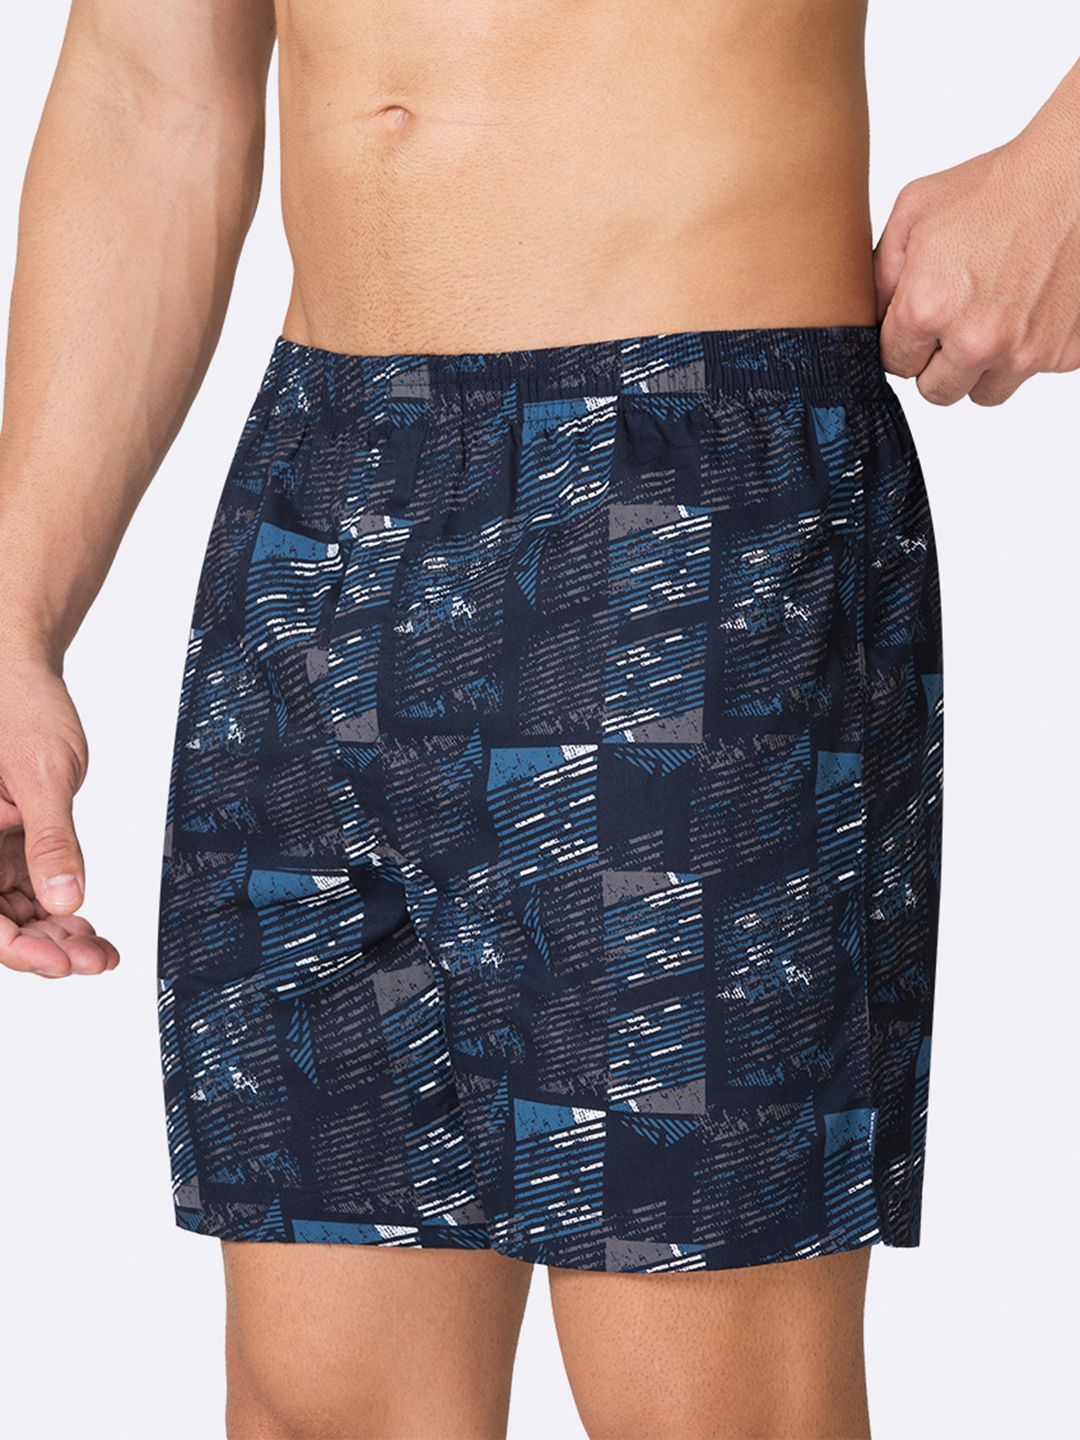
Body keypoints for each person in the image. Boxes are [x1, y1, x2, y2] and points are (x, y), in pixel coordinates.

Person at [0, 1, 1076, 1436]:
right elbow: (153, 89)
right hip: (316, 504)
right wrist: (14, 620)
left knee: (703, 1402)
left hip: (675, 484)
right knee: (322, 1405)